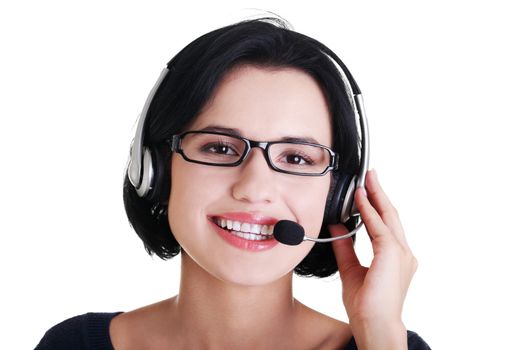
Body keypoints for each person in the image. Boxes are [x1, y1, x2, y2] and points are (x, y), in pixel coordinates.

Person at [35, 17, 430, 349]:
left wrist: (380, 337)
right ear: (155, 169)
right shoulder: (72, 345)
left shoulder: (387, 343)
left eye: (295, 157)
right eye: (220, 149)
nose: (254, 187)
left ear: (339, 195)